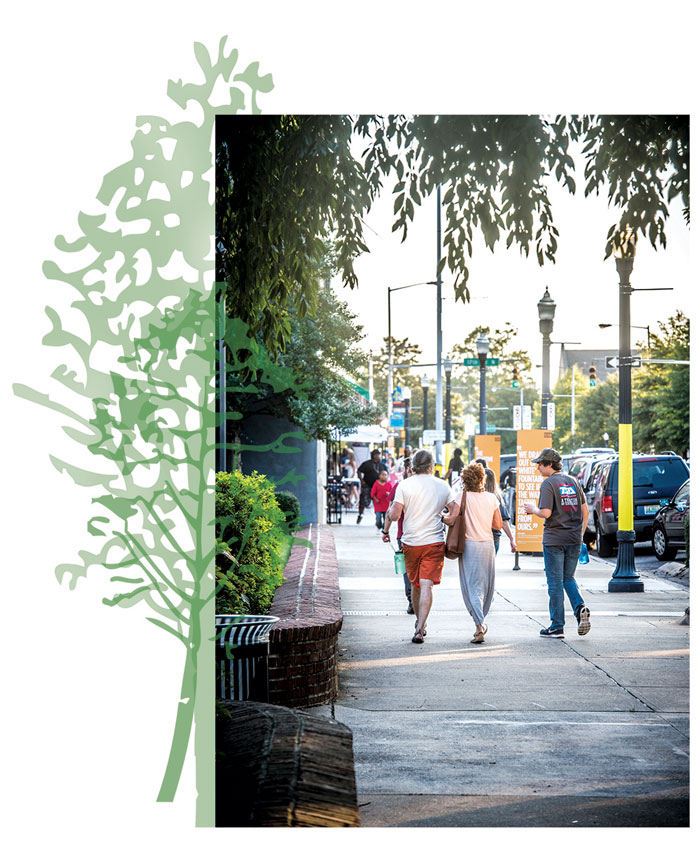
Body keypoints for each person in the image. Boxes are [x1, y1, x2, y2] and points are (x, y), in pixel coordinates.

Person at [382, 449, 459, 643]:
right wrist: (449, 519)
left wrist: (392, 513)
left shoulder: (404, 485)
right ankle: (421, 626)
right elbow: (455, 507)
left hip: (411, 542)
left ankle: (419, 624)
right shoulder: (443, 485)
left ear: (413, 466)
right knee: (427, 585)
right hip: (434, 542)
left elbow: (395, 515)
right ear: (432, 466)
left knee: (416, 585)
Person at [524, 447, 591, 638]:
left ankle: (557, 626)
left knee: (554, 582)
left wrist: (532, 509)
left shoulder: (548, 484)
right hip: (574, 539)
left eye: (540, 463)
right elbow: (585, 512)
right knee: (568, 578)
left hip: (554, 539)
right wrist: (580, 533)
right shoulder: (573, 481)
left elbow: (545, 513)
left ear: (549, 464)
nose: (537, 467)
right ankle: (579, 609)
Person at [450, 462, 502, 644]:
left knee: (471, 586)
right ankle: (480, 622)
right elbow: (498, 525)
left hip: (469, 546)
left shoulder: (461, 497)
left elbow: (450, 520)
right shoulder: (492, 498)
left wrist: (442, 516)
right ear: (482, 479)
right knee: (486, 586)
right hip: (487, 546)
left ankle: (479, 624)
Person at [387, 457, 414, 613]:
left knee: (407, 569)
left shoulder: (399, 486)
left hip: (403, 535)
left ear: (407, 469)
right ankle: (419, 600)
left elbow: (391, 513)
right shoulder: (430, 487)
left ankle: (412, 600)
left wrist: (385, 531)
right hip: (426, 535)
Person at [484, 467, 517, 554]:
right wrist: (511, 539)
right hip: (493, 536)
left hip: (476, 536)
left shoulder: (474, 496)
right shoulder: (497, 497)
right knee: (489, 565)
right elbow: (504, 521)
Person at [357, 449, 387, 524]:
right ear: (374, 456)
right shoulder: (367, 464)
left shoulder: (382, 465)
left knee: (378, 503)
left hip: (378, 487)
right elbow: (359, 471)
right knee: (363, 502)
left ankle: (378, 518)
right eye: (377, 455)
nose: (379, 456)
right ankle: (360, 514)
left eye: (379, 455)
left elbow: (386, 474)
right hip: (368, 485)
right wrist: (361, 480)